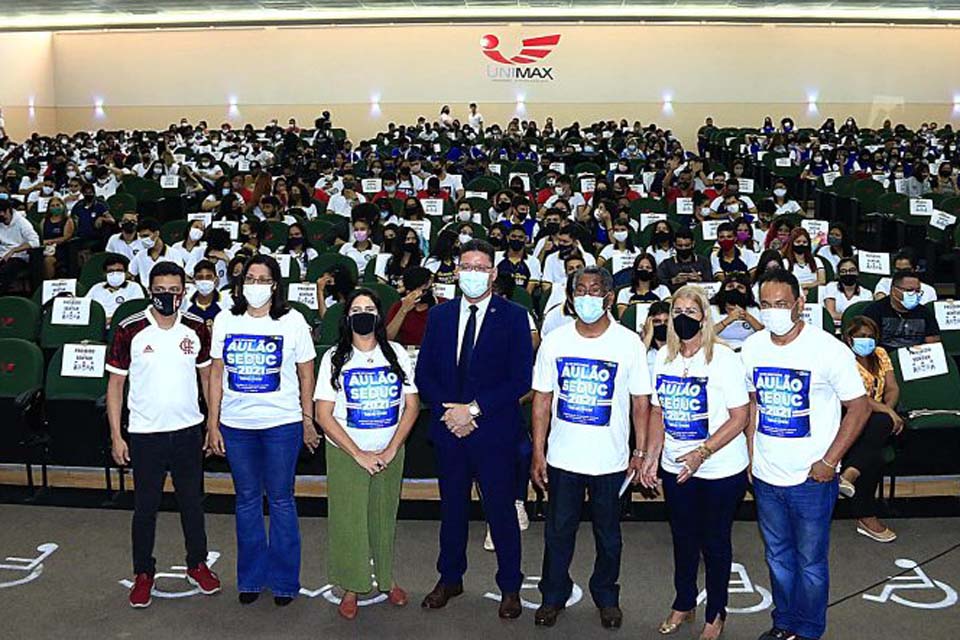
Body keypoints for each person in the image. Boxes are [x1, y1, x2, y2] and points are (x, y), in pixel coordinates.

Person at [742, 270, 869, 640]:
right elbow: (753, 404)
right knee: (777, 558)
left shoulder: (829, 349)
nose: (773, 312)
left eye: (781, 304)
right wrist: (751, 456)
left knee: (810, 563)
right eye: (765, 305)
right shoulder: (752, 347)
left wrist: (830, 462)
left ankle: (809, 631)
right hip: (767, 474)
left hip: (812, 478)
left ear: (800, 304)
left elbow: (858, 408)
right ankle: (784, 624)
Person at [415, 239, 533, 620]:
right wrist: (452, 414)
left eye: (481, 267)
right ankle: (450, 578)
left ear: (494, 274)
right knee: (452, 509)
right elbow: (424, 374)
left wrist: (474, 411)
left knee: (500, 512)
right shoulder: (440, 315)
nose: (473, 273)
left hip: (494, 432)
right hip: (449, 429)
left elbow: (520, 379)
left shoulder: (514, 316)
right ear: (456, 270)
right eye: (467, 266)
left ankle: (510, 586)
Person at [530, 265, 651, 629]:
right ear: (569, 298)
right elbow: (541, 399)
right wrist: (538, 451)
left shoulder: (628, 343)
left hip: (610, 460)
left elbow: (641, 402)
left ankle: (606, 596)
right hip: (563, 457)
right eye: (579, 290)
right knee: (558, 533)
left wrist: (640, 452)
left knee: (609, 536)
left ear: (609, 297)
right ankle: (553, 596)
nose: (586, 297)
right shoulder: (556, 340)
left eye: (594, 290)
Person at [105, 262, 220, 608]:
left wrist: (212, 423)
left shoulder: (198, 327)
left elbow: (207, 379)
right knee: (145, 508)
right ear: (149, 290)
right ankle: (143, 572)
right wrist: (116, 435)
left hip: (187, 431)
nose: (167, 297)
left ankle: (197, 564)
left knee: (192, 504)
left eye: (174, 290)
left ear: (183, 293)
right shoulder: (130, 329)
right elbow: (115, 385)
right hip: (145, 433)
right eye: (160, 290)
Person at [205, 255, 318, 607]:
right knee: (247, 501)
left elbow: (305, 374)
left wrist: (308, 419)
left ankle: (285, 582)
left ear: (275, 284)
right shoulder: (225, 319)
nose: (255, 284)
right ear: (240, 284)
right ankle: (251, 578)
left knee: (282, 499)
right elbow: (215, 374)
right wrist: (213, 423)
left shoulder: (293, 320)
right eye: (249, 278)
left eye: (263, 278)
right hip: (236, 425)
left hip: (282, 423)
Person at [641, 285, 750, 640]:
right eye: (677, 311)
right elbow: (658, 411)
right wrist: (652, 455)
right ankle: (683, 601)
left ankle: (715, 613)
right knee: (683, 538)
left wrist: (703, 451)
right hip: (677, 466)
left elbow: (740, 417)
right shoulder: (664, 357)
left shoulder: (725, 358)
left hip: (720, 467)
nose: (683, 317)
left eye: (691, 311)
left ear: (705, 316)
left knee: (715, 542)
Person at [314, 288, 420, 619]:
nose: (363, 313)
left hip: (389, 452)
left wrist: (391, 448)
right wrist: (358, 453)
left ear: (379, 315)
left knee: (383, 517)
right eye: (356, 308)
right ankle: (351, 586)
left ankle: (387, 580)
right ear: (347, 318)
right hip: (348, 453)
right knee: (350, 521)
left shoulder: (398, 354)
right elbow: (323, 414)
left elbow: (412, 406)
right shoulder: (335, 357)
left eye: (370, 308)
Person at [839, 316, 902, 543]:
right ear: (849, 338)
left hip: (876, 419)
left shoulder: (881, 355)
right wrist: (889, 414)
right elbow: (855, 397)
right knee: (878, 434)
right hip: (847, 415)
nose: (867, 341)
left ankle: (850, 473)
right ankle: (866, 516)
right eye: (861, 336)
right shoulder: (842, 358)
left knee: (878, 430)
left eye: (871, 337)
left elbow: (892, 388)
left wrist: (887, 409)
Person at [862, 270, 941, 351]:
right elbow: (867, 343)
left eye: (917, 291)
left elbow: (933, 343)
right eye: (909, 290)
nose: (914, 294)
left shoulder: (925, 312)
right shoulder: (874, 311)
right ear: (893, 291)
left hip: (916, 358)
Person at [85, 254, 145, 325]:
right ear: (105, 274)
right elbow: (85, 307)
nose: (115, 274)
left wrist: (112, 320)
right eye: (111, 271)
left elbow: (136, 310)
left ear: (126, 273)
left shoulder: (134, 287)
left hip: (122, 327)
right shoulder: (96, 288)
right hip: (98, 326)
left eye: (119, 271)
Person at [386, 266, 439, 346]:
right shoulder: (399, 306)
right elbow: (388, 338)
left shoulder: (442, 305)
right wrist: (403, 310)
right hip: (408, 352)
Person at [712, 273, 763, 350]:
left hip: (748, 350)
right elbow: (706, 334)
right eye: (730, 286)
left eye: (740, 287)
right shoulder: (712, 309)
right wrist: (728, 320)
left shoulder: (753, 309)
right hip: (720, 350)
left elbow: (764, 334)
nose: (735, 290)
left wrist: (747, 317)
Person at [0, 199, 40, 293]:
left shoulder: (22, 222)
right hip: (2, 254)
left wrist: (14, 250)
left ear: (8, 211)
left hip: (19, 256)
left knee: (5, 271)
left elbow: (35, 241)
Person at [873, 251, 937, 304]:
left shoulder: (929, 290)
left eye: (905, 270)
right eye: (898, 270)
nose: (901, 274)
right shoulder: (885, 283)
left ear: (916, 269)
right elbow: (880, 301)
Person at [184, 259, 233, 327]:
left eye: (208, 277)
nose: (204, 281)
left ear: (215, 279)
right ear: (194, 280)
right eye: (200, 277)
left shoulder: (227, 302)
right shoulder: (185, 303)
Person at [823, 258, 873, 322]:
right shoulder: (831, 287)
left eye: (852, 270)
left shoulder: (867, 293)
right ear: (838, 274)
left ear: (857, 272)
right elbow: (831, 313)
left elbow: (866, 317)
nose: (848, 273)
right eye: (843, 271)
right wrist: (853, 317)